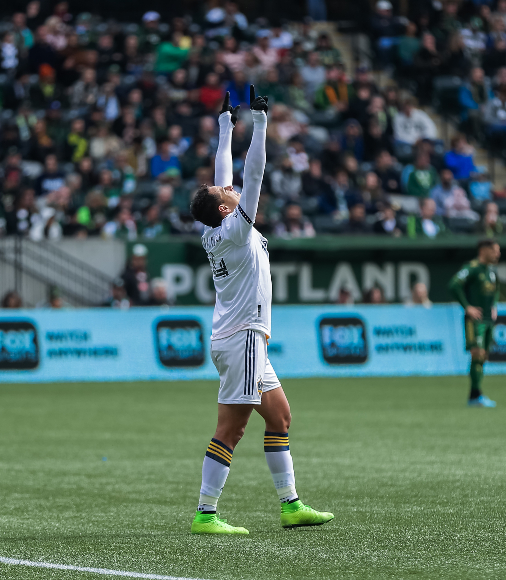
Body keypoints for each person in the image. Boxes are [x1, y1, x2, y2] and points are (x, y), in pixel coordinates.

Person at [187, 89, 332, 535]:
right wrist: (261, 122)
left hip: (242, 337)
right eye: (224, 191)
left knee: (280, 417)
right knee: (231, 429)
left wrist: (226, 126)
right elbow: (254, 172)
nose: (227, 186)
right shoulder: (236, 228)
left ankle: (291, 505)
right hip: (244, 336)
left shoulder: (216, 229)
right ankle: (206, 513)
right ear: (225, 207)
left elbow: (225, 171)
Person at [447, 239, 501, 408]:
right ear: (483, 251)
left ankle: (475, 395)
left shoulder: (490, 271)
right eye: (495, 250)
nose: (498, 254)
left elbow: (496, 290)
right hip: (475, 320)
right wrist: (467, 307)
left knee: (483, 357)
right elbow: (454, 285)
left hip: (488, 319)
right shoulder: (472, 268)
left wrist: (494, 305)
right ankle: (476, 395)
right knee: (477, 354)